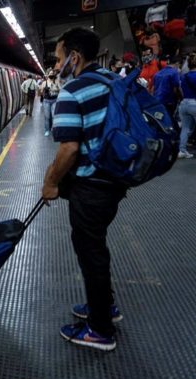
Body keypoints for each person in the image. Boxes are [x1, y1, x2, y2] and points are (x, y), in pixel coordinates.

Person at [42, 27, 128, 351]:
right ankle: (104, 307)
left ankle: (100, 330)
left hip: (91, 186)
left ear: (74, 57)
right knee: (98, 248)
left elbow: (69, 150)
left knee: (90, 254)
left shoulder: (73, 90)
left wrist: (50, 182)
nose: (58, 63)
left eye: (61, 57)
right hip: (114, 181)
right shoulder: (114, 80)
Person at [177, 53, 196, 159]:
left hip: (183, 104)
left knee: (185, 128)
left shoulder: (184, 76)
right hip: (194, 103)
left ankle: (182, 151)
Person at [153, 54, 182, 119]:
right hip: (169, 101)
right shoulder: (174, 72)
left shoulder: (158, 73)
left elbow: (153, 88)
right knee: (170, 119)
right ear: (177, 63)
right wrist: (181, 98)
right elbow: (176, 88)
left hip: (157, 100)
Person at [39, 70, 60, 136]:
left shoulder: (56, 82)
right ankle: (47, 130)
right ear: (48, 75)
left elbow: (60, 89)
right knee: (47, 116)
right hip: (46, 101)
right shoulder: (44, 83)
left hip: (54, 100)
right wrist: (44, 91)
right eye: (50, 74)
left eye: (52, 74)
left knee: (54, 116)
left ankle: (53, 128)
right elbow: (41, 92)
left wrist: (55, 87)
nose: (51, 75)